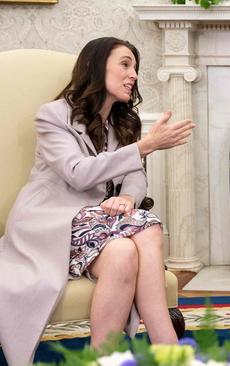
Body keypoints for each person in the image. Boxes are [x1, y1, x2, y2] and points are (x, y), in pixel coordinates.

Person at [0, 37, 195, 365]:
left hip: (97, 224)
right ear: (96, 65)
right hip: (50, 223)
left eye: (135, 66)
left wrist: (129, 197)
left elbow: (134, 175)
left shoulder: (121, 121)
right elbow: (77, 173)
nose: (133, 74)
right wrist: (144, 147)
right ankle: (168, 346)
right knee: (147, 226)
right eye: (124, 64)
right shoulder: (53, 115)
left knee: (122, 253)